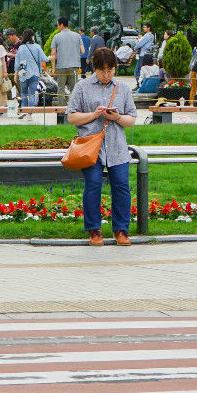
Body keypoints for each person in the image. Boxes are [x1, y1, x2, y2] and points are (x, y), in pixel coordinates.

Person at [67, 45, 138, 246]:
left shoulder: (122, 88)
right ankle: (94, 230)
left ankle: (121, 230)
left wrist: (117, 117)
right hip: (91, 146)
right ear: (94, 69)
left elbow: (132, 118)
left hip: (117, 146)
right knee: (93, 185)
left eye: (110, 70)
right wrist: (93, 115)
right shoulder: (82, 87)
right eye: (102, 71)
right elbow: (71, 116)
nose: (107, 75)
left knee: (122, 186)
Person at [51, 18, 85, 99]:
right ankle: (73, 108)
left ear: (62, 25)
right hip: (74, 66)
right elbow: (83, 51)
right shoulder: (77, 36)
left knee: (61, 89)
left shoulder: (56, 37)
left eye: (58, 25)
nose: (57, 27)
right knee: (73, 89)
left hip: (61, 66)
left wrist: (53, 69)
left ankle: (61, 110)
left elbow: (53, 54)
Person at [14, 29, 48, 109]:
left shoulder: (21, 48)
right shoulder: (37, 47)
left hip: (23, 72)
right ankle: (30, 113)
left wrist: (16, 73)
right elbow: (45, 59)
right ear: (32, 36)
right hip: (34, 72)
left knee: (23, 92)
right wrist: (51, 57)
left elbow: (17, 62)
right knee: (32, 93)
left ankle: (23, 109)